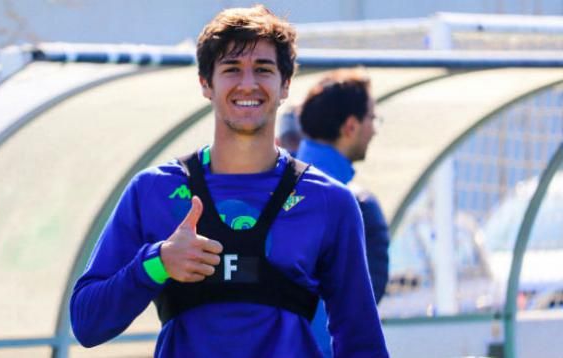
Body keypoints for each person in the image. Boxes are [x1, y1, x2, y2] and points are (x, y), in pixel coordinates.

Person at [70, 6, 388, 357]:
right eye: (232, 69)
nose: (248, 83)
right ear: (206, 83)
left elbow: (362, 342)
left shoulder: (330, 202)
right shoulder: (153, 191)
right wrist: (158, 262)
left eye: (263, 70)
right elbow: (86, 323)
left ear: (285, 85)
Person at [295, 68, 390, 357]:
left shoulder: (268, 190)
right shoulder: (357, 205)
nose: (373, 129)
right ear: (350, 127)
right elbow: (361, 306)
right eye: (371, 118)